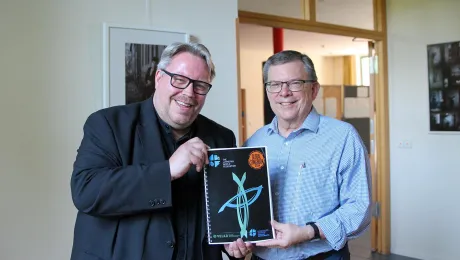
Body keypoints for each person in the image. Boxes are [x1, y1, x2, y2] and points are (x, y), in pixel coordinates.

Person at [70, 42, 252, 260]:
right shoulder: (108, 124)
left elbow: (224, 213)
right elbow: (86, 191)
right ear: (158, 77)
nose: (189, 93)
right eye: (180, 80)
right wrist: (167, 171)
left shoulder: (221, 137)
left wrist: (231, 245)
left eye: (200, 85)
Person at [244, 50, 371, 260]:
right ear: (267, 91)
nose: (284, 93)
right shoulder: (255, 142)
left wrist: (309, 231)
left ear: (314, 89)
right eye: (274, 84)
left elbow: (359, 207)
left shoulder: (343, 137)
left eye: (295, 83)